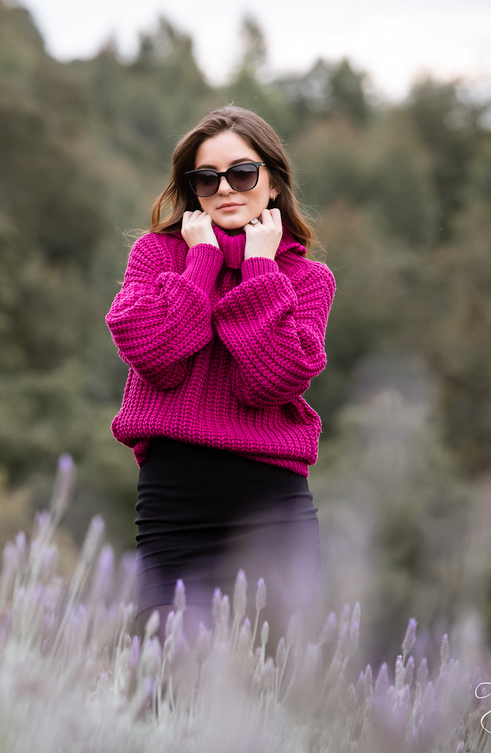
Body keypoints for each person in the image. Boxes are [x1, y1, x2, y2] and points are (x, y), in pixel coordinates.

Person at [105, 105, 336, 647]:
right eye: (207, 178)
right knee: (166, 674)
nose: (226, 188)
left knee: (274, 686)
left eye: (243, 173)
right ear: (193, 190)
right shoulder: (154, 256)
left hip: (272, 506)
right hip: (175, 503)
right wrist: (201, 261)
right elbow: (157, 356)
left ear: (274, 183)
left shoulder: (307, 279)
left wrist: (259, 267)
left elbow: (270, 380)